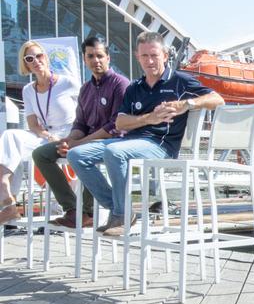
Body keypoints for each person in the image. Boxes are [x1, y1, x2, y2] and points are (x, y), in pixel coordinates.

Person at [67, 32, 224, 237]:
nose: (150, 61)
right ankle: (120, 207)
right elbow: (120, 122)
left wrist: (187, 104)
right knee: (76, 155)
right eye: (144, 56)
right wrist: (149, 118)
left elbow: (217, 98)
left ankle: (121, 215)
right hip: (130, 142)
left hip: (161, 146)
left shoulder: (179, 81)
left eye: (154, 55)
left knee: (115, 151)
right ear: (137, 57)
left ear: (165, 55)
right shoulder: (135, 87)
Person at [33, 35, 129, 229]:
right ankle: (72, 210)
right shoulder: (85, 89)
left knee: (79, 153)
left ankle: (91, 211)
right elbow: (80, 124)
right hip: (89, 140)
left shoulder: (120, 84)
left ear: (108, 58)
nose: (96, 60)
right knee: (41, 154)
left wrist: (79, 143)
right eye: (91, 56)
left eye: (100, 55)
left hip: (115, 141)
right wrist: (69, 140)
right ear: (84, 59)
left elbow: (116, 126)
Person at [0, 41, 79, 226]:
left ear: (46, 57)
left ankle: (7, 204)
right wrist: (46, 135)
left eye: (39, 55)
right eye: (30, 58)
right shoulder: (28, 90)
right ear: (26, 64)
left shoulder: (68, 83)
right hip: (45, 136)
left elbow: (87, 111)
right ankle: (7, 197)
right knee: (10, 136)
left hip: (69, 135)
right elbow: (32, 123)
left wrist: (76, 136)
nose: (36, 60)